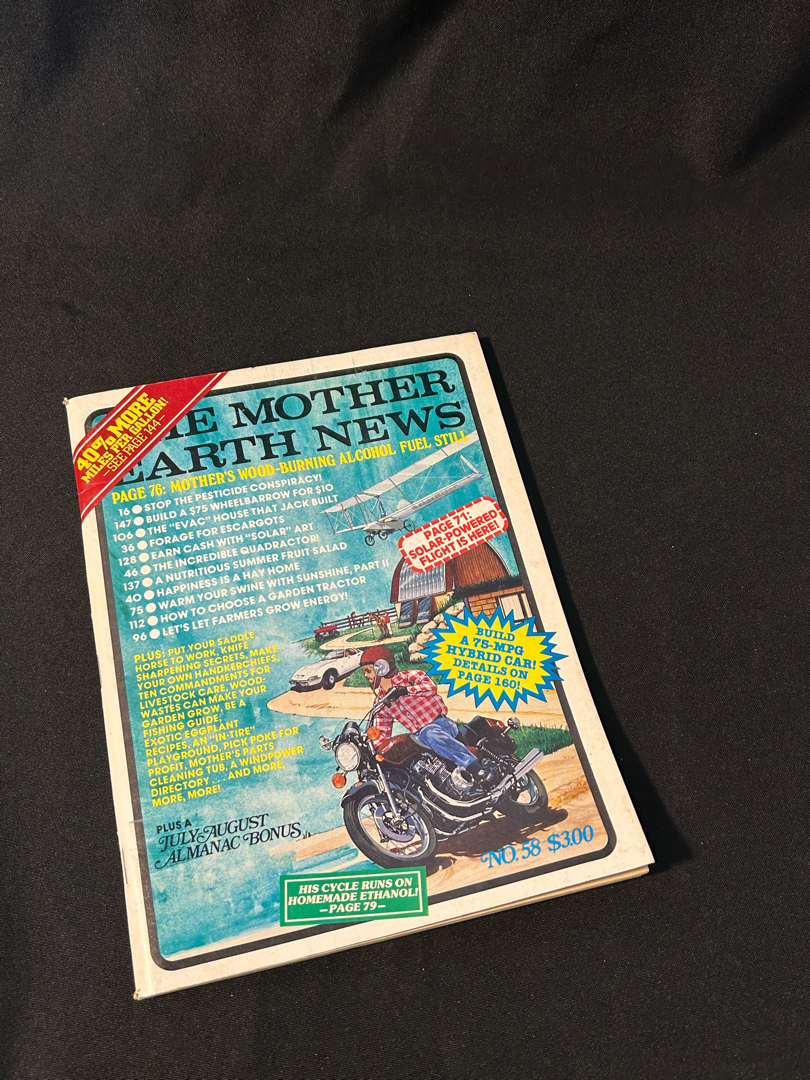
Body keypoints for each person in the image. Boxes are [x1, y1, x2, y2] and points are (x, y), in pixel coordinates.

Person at [359, 645, 486, 785]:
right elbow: (382, 733)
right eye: (364, 671)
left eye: (368, 670)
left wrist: (406, 691)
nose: (365, 675)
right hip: (419, 737)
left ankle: (474, 767)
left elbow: (431, 688)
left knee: (429, 733)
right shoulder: (382, 701)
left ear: (382, 667)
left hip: (440, 724)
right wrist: (373, 752)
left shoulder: (409, 677)